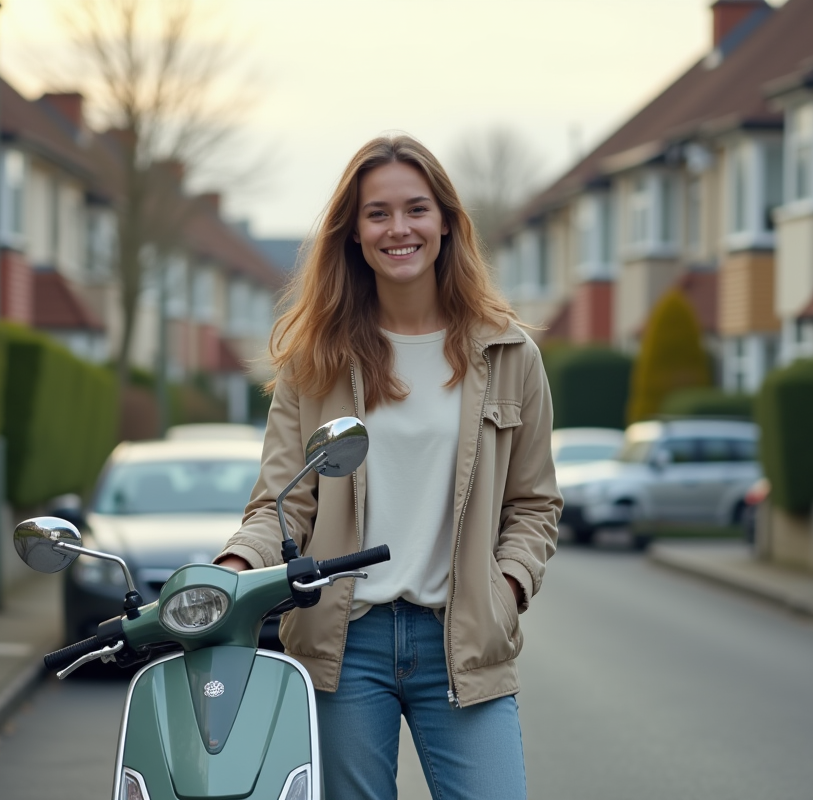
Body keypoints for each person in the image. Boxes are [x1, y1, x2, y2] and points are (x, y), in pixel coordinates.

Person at [215, 134, 561, 800]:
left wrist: (507, 589)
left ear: (446, 223)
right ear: (353, 234)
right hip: (344, 648)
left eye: (416, 209)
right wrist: (232, 571)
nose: (398, 228)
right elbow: (282, 505)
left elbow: (535, 505)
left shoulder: (510, 353)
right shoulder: (313, 362)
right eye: (377, 213)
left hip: (462, 640)